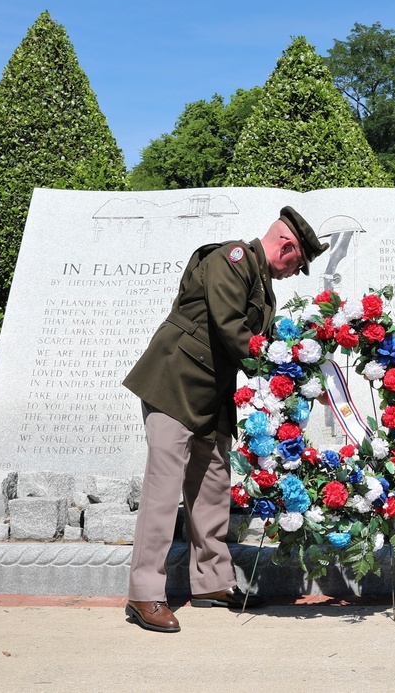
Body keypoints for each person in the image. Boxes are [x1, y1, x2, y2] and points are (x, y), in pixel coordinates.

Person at [122, 206, 328, 633]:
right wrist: (276, 366)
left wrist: (297, 357)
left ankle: (212, 582)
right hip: (174, 384)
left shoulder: (260, 281)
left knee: (213, 485)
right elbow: (230, 325)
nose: (295, 272)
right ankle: (144, 595)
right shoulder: (232, 259)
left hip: (211, 395)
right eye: (298, 264)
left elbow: (255, 336)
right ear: (287, 246)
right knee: (163, 490)